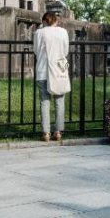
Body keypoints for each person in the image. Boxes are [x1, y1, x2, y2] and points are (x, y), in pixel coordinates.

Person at [34, 12, 71, 142]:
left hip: (43, 70)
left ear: (44, 21)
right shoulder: (63, 32)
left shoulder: (39, 32)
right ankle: (58, 131)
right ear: (56, 20)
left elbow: (36, 50)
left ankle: (46, 133)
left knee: (44, 101)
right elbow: (65, 51)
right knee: (59, 100)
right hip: (59, 70)